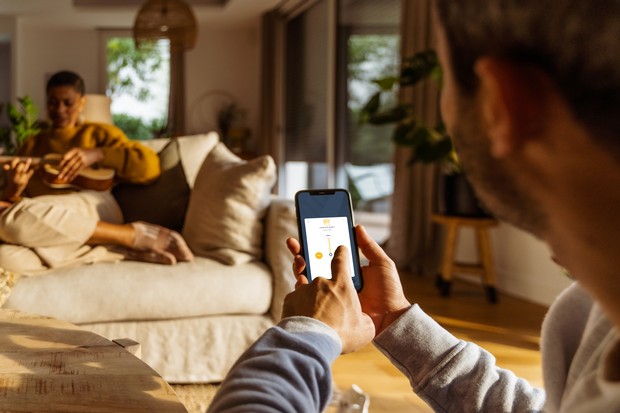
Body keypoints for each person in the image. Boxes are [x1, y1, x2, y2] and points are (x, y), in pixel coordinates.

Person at [206, 0, 620, 412]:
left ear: (504, 105)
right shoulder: (596, 319)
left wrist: (307, 332)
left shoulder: (589, 318)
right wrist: (398, 322)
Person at [0, 70, 193, 275]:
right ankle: (117, 248)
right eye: (53, 103)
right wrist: (14, 189)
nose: (60, 110)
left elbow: (150, 168)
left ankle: (132, 234)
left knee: (12, 218)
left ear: (82, 102)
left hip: (95, 206)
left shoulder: (100, 133)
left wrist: (99, 154)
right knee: (5, 258)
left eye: (68, 102)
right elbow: (20, 208)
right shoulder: (31, 145)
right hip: (43, 221)